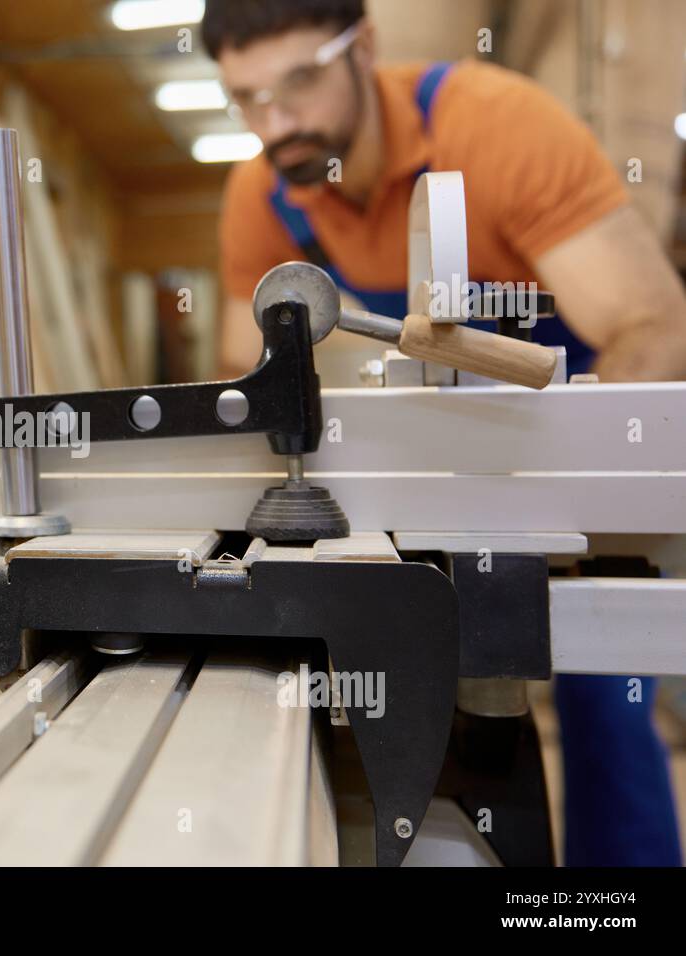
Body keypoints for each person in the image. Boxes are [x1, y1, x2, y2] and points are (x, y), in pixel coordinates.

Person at [204, 0, 684, 865]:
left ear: (367, 47)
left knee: (602, 691)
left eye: (300, 81)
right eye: (247, 98)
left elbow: (651, 321)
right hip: (432, 451)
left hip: (556, 428)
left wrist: (569, 501)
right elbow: (243, 394)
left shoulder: (501, 127)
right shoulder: (262, 194)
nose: (277, 123)